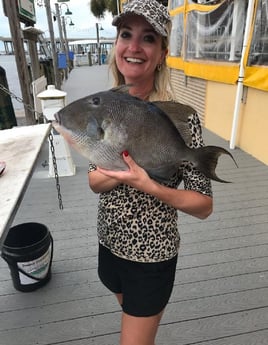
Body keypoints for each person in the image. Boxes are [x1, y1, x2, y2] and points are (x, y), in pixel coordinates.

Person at [88, 1, 213, 344]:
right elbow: (93, 180)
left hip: (152, 257)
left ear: (162, 53)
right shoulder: (105, 107)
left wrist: (149, 185)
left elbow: (203, 206)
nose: (133, 47)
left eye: (148, 38)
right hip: (109, 246)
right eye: (126, 35)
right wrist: (120, 172)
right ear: (116, 46)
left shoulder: (181, 117)